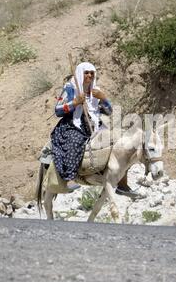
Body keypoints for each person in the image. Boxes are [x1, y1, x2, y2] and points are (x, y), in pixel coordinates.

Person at [51, 61, 140, 198]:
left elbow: (109, 111)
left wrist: (103, 99)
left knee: (119, 144)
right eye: (86, 73)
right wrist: (74, 103)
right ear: (81, 74)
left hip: (94, 124)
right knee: (74, 142)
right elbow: (57, 110)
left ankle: (122, 183)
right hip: (73, 125)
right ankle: (69, 179)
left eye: (92, 73)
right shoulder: (70, 88)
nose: (89, 76)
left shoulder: (95, 91)